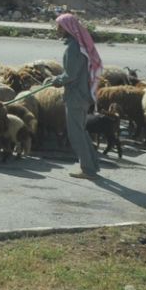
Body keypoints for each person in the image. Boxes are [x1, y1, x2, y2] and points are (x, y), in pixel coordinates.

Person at [49, 11, 105, 178]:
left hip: (75, 96)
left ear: (67, 28)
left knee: (75, 133)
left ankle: (88, 169)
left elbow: (70, 75)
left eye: (59, 26)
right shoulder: (78, 46)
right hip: (83, 94)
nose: (57, 29)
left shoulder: (73, 49)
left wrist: (55, 80)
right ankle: (92, 165)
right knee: (81, 130)